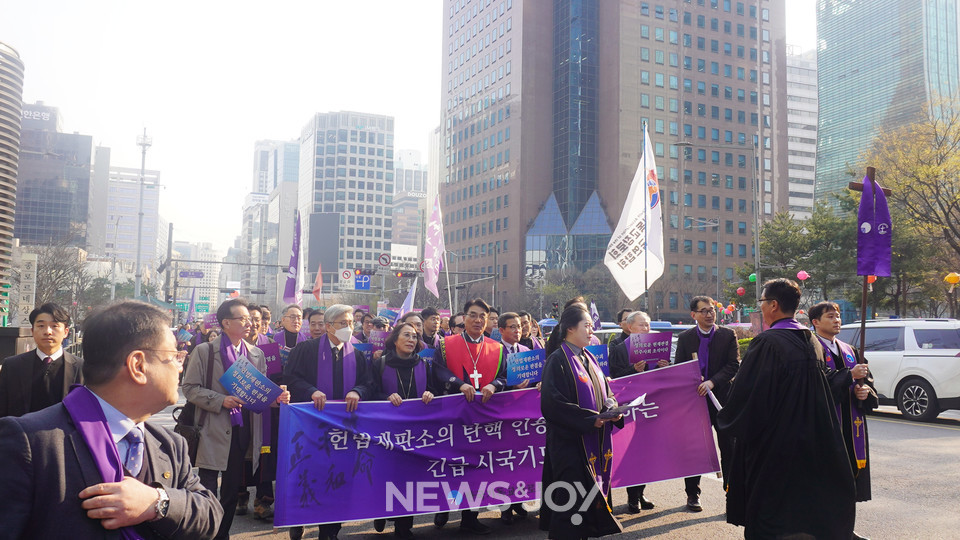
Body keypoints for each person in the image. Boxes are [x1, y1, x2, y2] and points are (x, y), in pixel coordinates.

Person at [0, 300, 223, 538]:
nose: (180, 366)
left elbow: (210, 516)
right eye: (173, 355)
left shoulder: (170, 445)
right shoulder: (30, 442)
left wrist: (158, 502)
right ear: (137, 365)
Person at [717, 279, 856, 539]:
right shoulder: (811, 341)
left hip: (775, 443)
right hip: (811, 439)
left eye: (761, 302)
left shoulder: (768, 343)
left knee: (772, 510)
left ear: (773, 305)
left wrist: (727, 418)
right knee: (800, 506)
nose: (761, 307)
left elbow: (750, 395)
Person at [183, 298, 291, 540]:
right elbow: (189, 388)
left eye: (251, 319)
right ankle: (204, 533)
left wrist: (278, 398)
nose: (249, 323)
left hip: (243, 431)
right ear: (225, 323)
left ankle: (222, 534)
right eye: (242, 319)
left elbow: (260, 395)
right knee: (208, 489)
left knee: (230, 491)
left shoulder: (256, 355)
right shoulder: (205, 352)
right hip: (212, 429)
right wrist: (221, 400)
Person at [283, 303, 375, 540]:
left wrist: (357, 391)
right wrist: (311, 390)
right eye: (343, 323)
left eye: (351, 323)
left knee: (338, 478)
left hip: (343, 430)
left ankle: (330, 531)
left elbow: (369, 383)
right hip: (310, 429)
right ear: (328, 326)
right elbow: (291, 378)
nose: (349, 327)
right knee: (309, 477)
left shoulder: (356, 354)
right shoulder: (306, 350)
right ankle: (300, 518)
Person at [540, 305, 623, 539]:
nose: (591, 329)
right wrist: (590, 420)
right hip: (570, 445)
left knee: (588, 502)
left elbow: (607, 393)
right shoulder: (558, 360)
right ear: (569, 329)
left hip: (593, 442)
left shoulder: (589, 357)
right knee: (570, 503)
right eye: (586, 325)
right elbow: (551, 403)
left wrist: (612, 409)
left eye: (591, 325)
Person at [432, 299, 507, 535]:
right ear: (464, 318)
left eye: (482, 317)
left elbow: (505, 376)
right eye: (472, 315)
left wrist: (495, 385)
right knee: (451, 466)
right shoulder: (446, 344)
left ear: (487, 321)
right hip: (453, 416)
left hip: (483, 418)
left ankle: (470, 517)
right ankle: (443, 507)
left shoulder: (497, 347)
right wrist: (459, 384)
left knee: (477, 468)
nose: (477, 320)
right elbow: (438, 370)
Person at [810, 301, 876, 540]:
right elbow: (816, 386)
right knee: (827, 481)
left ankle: (846, 530)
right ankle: (824, 530)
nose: (837, 320)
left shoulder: (849, 349)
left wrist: (865, 392)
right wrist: (849, 375)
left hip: (851, 426)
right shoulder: (811, 349)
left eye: (838, 316)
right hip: (825, 427)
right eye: (830, 316)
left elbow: (867, 381)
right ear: (816, 322)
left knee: (849, 481)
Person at [370, 322, 440, 539]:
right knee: (386, 476)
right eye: (406, 335)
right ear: (395, 338)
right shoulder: (380, 363)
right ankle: (380, 512)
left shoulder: (423, 364)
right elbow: (370, 391)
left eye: (414, 336)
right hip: (387, 431)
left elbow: (434, 389)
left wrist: (430, 394)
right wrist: (386, 397)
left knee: (409, 478)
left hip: (415, 430)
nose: (411, 339)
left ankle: (403, 526)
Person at [673, 295, 740, 511]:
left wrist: (712, 382)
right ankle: (693, 494)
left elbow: (733, 365)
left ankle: (733, 495)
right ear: (693, 315)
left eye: (711, 310)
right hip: (695, 402)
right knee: (695, 448)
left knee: (729, 448)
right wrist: (691, 380)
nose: (709, 314)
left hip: (722, 401)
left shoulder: (727, 335)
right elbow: (680, 368)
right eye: (704, 311)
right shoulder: (685, 338)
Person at [607, 311, 655, 513]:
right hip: (629, 407)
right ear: (629, 327)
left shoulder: (655, 344)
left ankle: (641, 492)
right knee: (630, 451)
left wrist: (664, 365)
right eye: (642, 325)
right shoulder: (618, 349)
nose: (646, 329)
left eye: (647, 325)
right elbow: (614, 377)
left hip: (651, 406)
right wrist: (633, 370)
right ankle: (632, 497)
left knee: (646, 452)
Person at [0, 303, 83, 417]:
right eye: (41, 326)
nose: (48, 331)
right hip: (21, 433)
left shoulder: (81, 368)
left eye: (54, 326)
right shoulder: (12, 366)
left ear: (65, 332)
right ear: (32, 331)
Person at [496, 311, 530, 524]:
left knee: (520, 460)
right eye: (512, 327)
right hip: (502, 414)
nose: (518, 330)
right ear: (501, 330)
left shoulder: (527, 350)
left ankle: (519, 501)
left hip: (524, 415)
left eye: (519, 326)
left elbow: (535, 378)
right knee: (503, 461)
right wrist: (511, 385)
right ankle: (505, 506)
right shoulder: (493, 351)